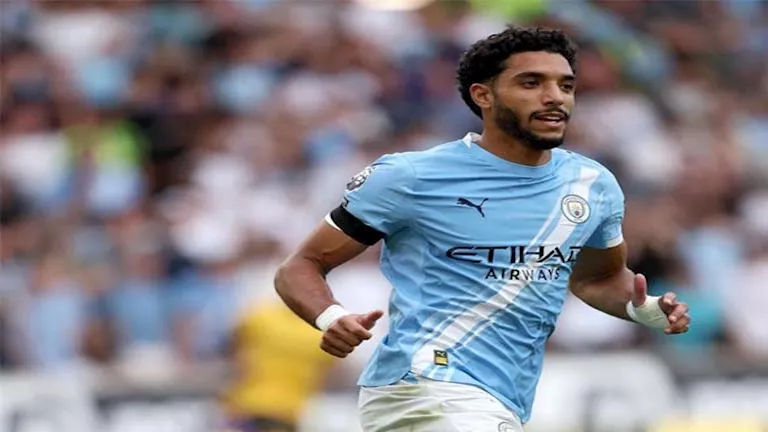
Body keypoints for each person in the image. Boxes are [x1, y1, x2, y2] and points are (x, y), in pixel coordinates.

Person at [274, 26, 691, 432]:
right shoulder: (412, 177)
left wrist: (643, 308)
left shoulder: (592, 184)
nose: (554, 97)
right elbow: (300, 266)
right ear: (483, 95)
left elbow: (596, 279)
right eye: (531, 83)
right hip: (428, 383)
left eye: (565, 85)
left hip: (501, 397)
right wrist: (331, 317)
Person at [221, 300, 335, 432]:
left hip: (247, 404)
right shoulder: (322, 334)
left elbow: (232, 352)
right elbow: (327, 376)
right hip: (290, 411)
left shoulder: (259, 317)